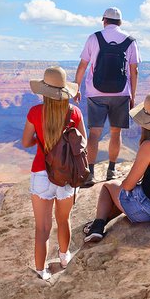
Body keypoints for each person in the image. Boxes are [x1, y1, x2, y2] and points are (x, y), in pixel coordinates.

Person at [83, 91, 150, 242]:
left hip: (149, 211)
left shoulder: (149, 146)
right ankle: (99, 223)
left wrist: (124, 183)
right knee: (124, 193)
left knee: (109, 186)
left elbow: (127, 186)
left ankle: (97, 227)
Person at [22, 66, 87, 280]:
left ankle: (41, 271)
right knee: (64, 219)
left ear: (44, 91)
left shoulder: (34, 112)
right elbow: (83, 143)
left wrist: (39, 140)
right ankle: (64, 256)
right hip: (66, 174)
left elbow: (25, 142)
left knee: (42, 227)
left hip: (41, 173)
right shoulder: (74, 112)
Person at [74, 7, 141, 185]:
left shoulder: (93, 38)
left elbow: (83, 65)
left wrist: (76, 87)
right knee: (115, 132)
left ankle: (90, 173)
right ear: (120, 22)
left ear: (104, 20)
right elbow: (134, 72)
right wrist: (132, 96)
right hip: (121, 93)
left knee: (94, 133)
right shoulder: (130, 41)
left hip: (96, 93)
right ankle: (111, 170)